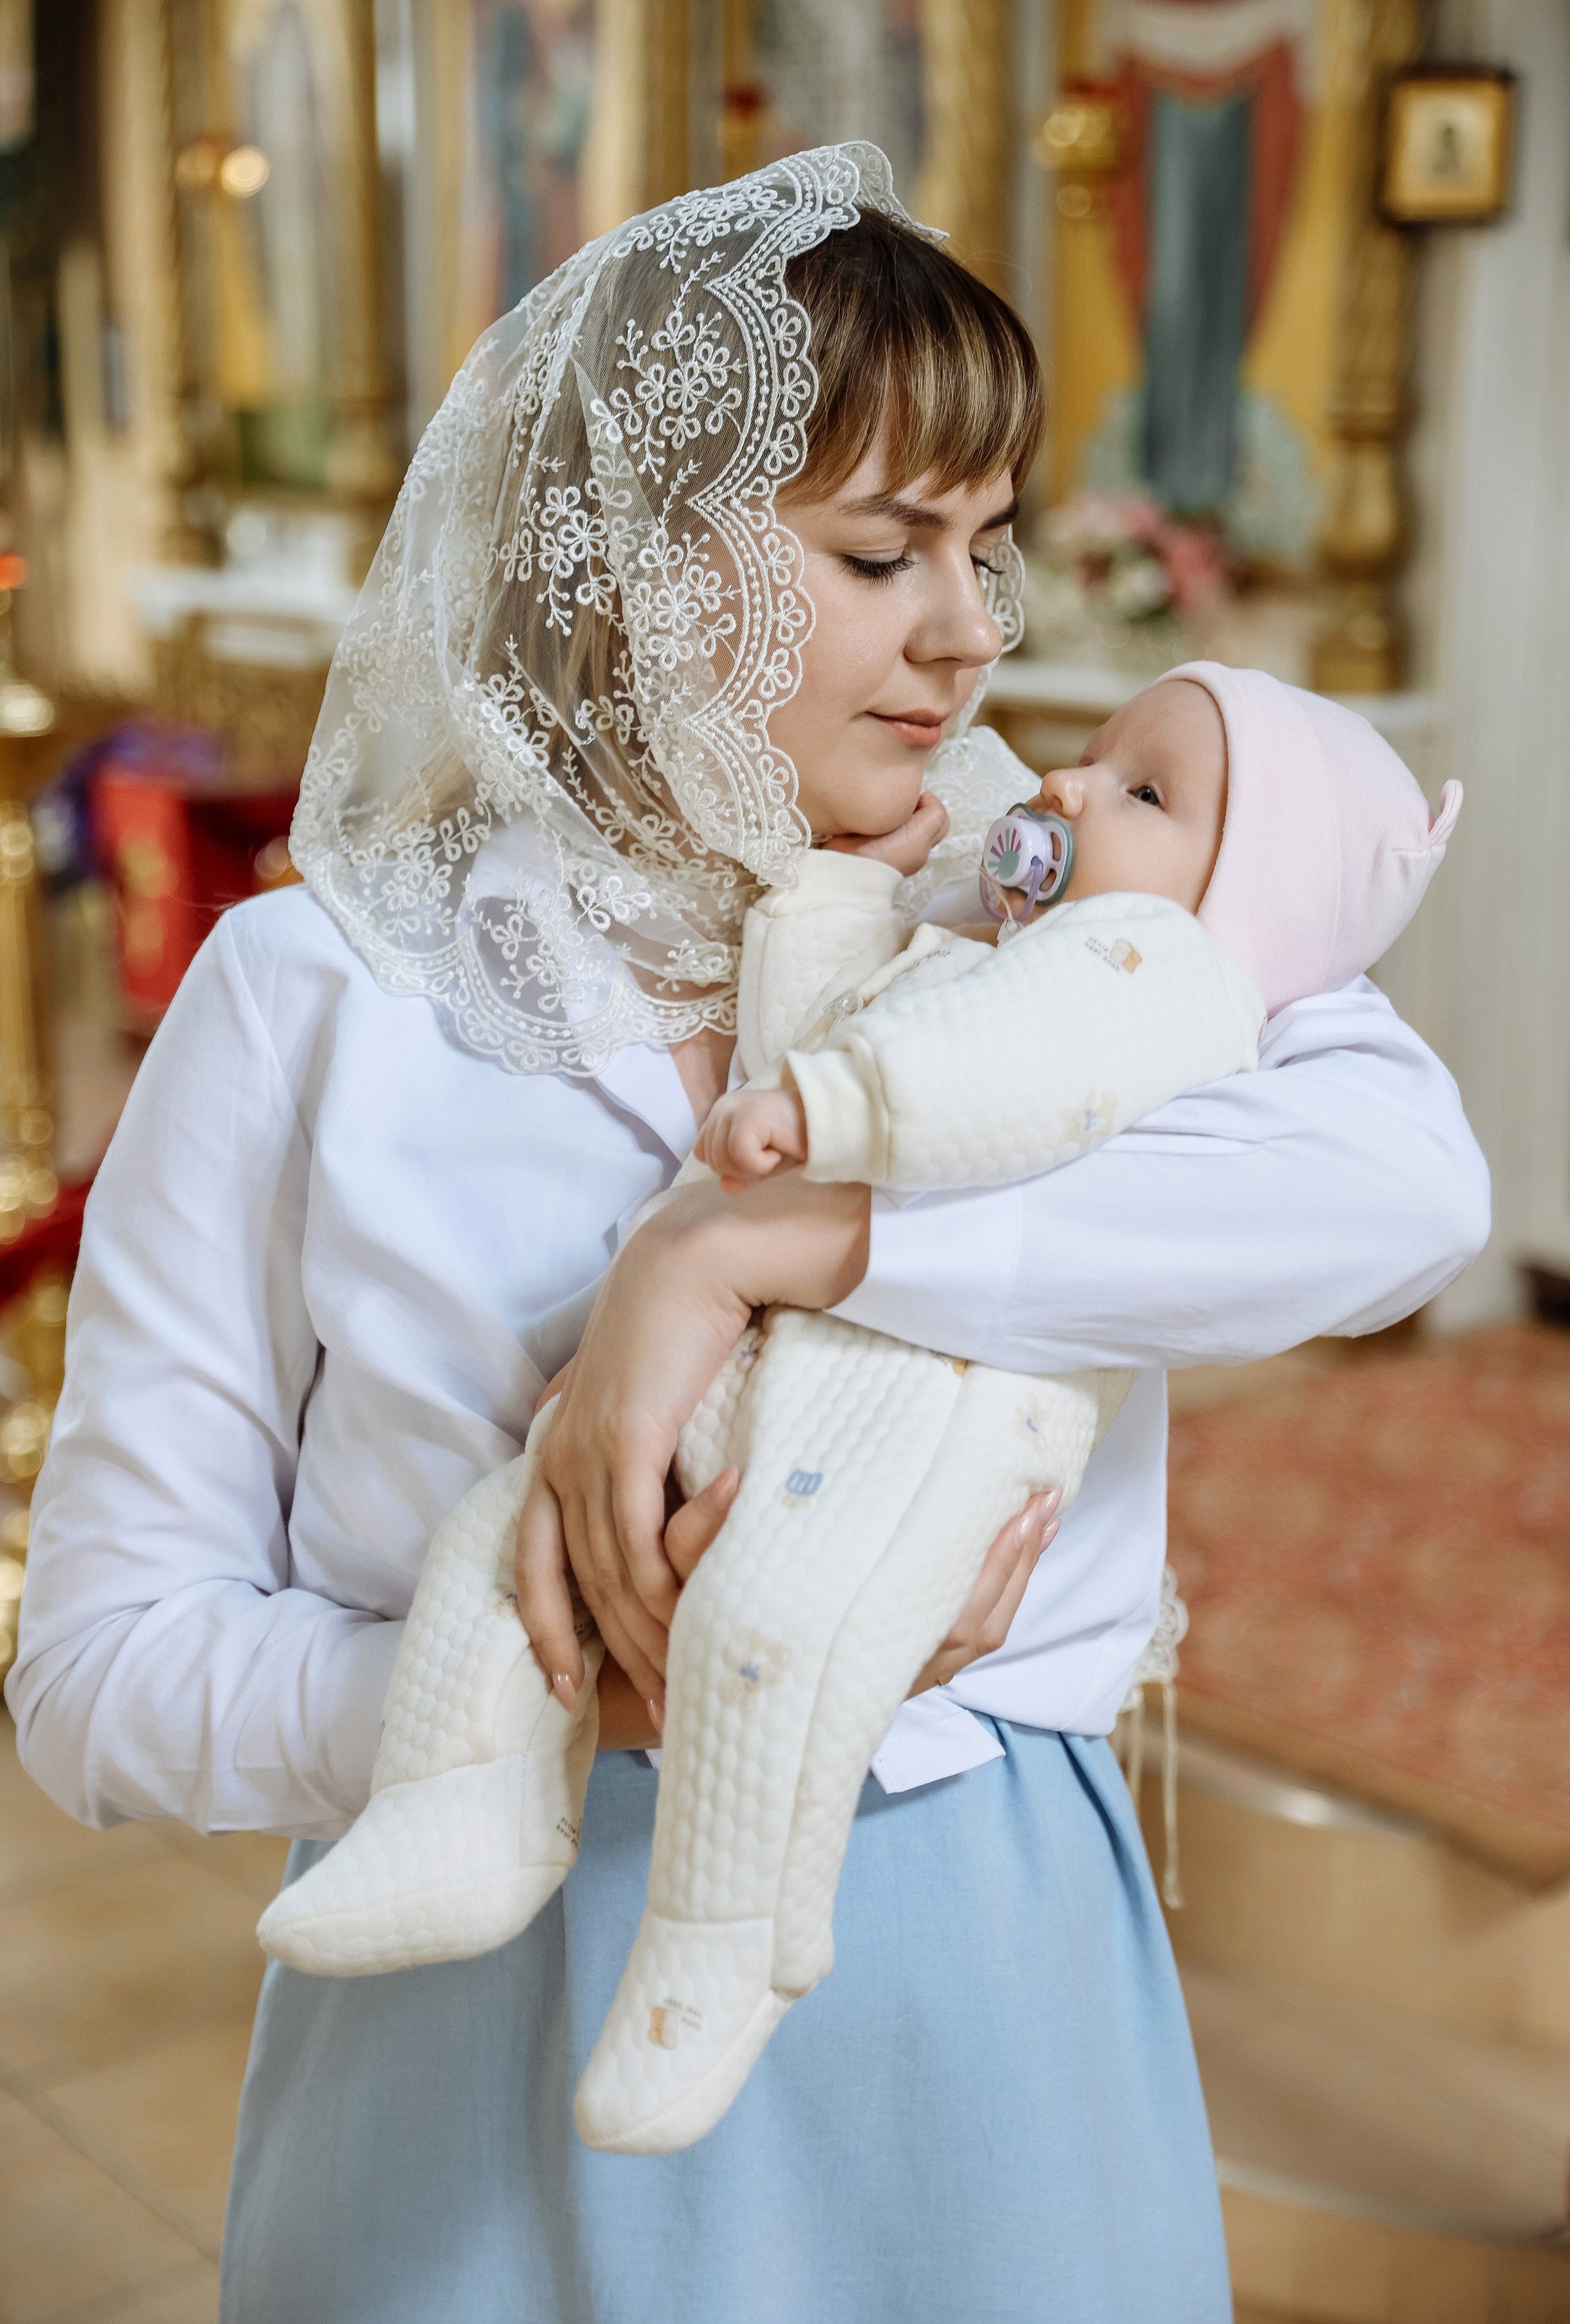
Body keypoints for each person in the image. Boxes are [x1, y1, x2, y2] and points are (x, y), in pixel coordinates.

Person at [6, 147, 1488, 2323]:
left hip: (979, 1982)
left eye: (989, 551)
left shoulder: (1062, 896)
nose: (975, 636)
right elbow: (97, 1681)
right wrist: (560, 1698)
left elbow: (1410, 1193)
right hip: (476, 2033)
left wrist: (746, 1250)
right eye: (883, 552)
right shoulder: (312, 994)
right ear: (629, 562)